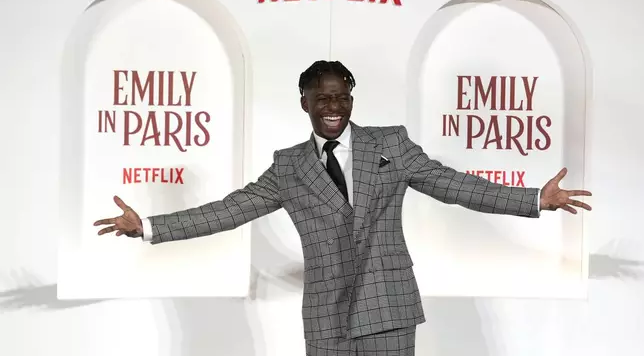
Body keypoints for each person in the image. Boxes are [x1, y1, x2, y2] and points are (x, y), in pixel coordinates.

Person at [94, 60, 592, 355]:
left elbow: (451, 184)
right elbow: (232, 209)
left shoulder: (390, 145)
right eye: (322, 98)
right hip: (327, 319)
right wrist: (151, 227)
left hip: (390, 309)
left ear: (350, 99)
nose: (334, 107)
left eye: (341, 97)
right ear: (305, 102)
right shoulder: (287, 168)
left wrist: (534, 199)